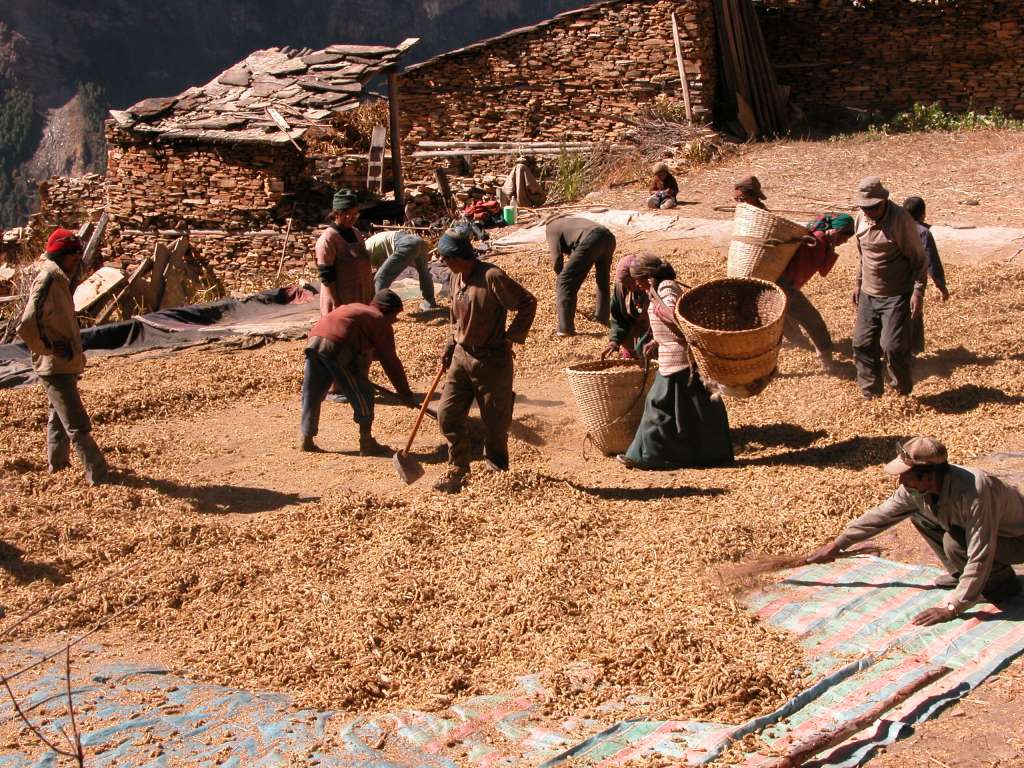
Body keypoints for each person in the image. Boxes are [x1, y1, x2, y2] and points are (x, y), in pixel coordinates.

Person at [805, 436, 1024, 625]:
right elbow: (881, 515)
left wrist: (952, 607)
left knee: (954, 542)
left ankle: (1002, 584)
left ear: (927, 476)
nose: (900, 480)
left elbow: (981, 551)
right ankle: (960, 574)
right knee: (919, 514)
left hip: (1016, 540)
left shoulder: (975, 492)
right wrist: (837, 544)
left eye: (905, 474)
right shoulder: (916, 489)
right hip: (986, 536)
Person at [433, 228, 537, 493]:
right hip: (461, 356)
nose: (443, 264)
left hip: (492, 360)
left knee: (495, 421)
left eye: (445, 258)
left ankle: (497, 471)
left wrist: (512, 337)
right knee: (447, 413)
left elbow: (527, 302)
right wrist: (450, 343)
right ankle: (458, 467)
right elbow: (455, 318)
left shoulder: (492, 277)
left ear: (458, 257)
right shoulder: (456, 278)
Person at [617, 255, 733, 470]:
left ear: (650, 277)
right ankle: (712, 453)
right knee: (698, 408)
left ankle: (645, 455)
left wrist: (665, 312)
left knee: (658, 403)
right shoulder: (655, 290)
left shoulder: (667, 288)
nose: (637, 285)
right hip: (674, 357)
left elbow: (678, 317)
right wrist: (655, 340)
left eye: (639, 280)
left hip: (680, 359)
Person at [18, 229, 108, 485]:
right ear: (61, 254)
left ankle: (57, 464)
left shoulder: (58, 278)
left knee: (57, 415)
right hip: (54, 364)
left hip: (63, 362)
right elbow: (27, 324)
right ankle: (98, 474)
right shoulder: (47, 279)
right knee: (77, 424)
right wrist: (48, 347)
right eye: (74, 255)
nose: (77, 260)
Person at [299, 289, 415, 455]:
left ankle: (306, 439)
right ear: (387, 310)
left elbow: (367, 349)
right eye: (395, 316)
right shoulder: (379, 320)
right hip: (337, 345)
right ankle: (366, 442)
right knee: (363, 393)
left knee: (312, 392)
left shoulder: (357, 309)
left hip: (315, 339)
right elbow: (390, 361)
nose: (394, 321)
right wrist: (405, 393)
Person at [851, 177, 928, 399]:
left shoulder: (900, 221)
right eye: (864, 207)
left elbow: (919, 259)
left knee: (892, 347)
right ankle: (871, 394)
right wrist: (858, 283)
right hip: (868, 293)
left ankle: (901, 392)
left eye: (873, 207)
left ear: (884, 201)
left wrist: (918, 292)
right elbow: (862, 254)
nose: (868, 211)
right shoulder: (861, 219)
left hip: (896, 295)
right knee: (862, 344)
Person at [777, 213, 855, 371]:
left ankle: (799, 342)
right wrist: (831, 244)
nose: (845, 241)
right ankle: (827, 362)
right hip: (787, 287)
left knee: (784, 319)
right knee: (815, 323)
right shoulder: (818, 241)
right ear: (837, 231)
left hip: (781, 284)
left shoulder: (817, 237)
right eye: (845, 237)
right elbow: (824, 270)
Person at [545, 216, 615, 337]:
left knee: (564, 281)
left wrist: (563, 277)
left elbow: (556, 260)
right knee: (602, 280)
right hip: (608, 237)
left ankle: (565, 329)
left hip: (592, 238)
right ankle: (602, 317)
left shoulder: (551, 228)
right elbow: (576, 249)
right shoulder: (568, 222)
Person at [902, 196, 950, 355]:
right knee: (913, 314)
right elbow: (932, 262)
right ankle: (913, 352)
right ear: (923, 215)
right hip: (911, 283)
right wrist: (941, 285)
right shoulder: (923, 233)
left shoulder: (895, 228)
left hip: (888, 281)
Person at [315, 188, 373, 317]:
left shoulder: (356, 233)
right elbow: (326, 275)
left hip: (361, 296)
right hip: (341, 299)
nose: (351, 218)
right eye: (346, 214)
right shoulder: (328, 239)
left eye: (355, 214)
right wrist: (335, 302)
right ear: (336, 213)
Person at [364, 229, 438, 311]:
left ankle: (377, 310)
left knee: (380, 279)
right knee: (424, 272)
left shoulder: (364, 250)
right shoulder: (371, 246)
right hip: (418, 241)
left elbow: (378, 275)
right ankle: (430, 302)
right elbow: (382, 267)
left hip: (406, 243)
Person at [603, 254, 651, 360]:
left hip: (654, 342)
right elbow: (618, 318)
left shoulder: (653, 288)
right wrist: (614, 342)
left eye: (630, 283)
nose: (628, 287)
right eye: (625, 284)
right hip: (631, 342)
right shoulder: (621, 288)